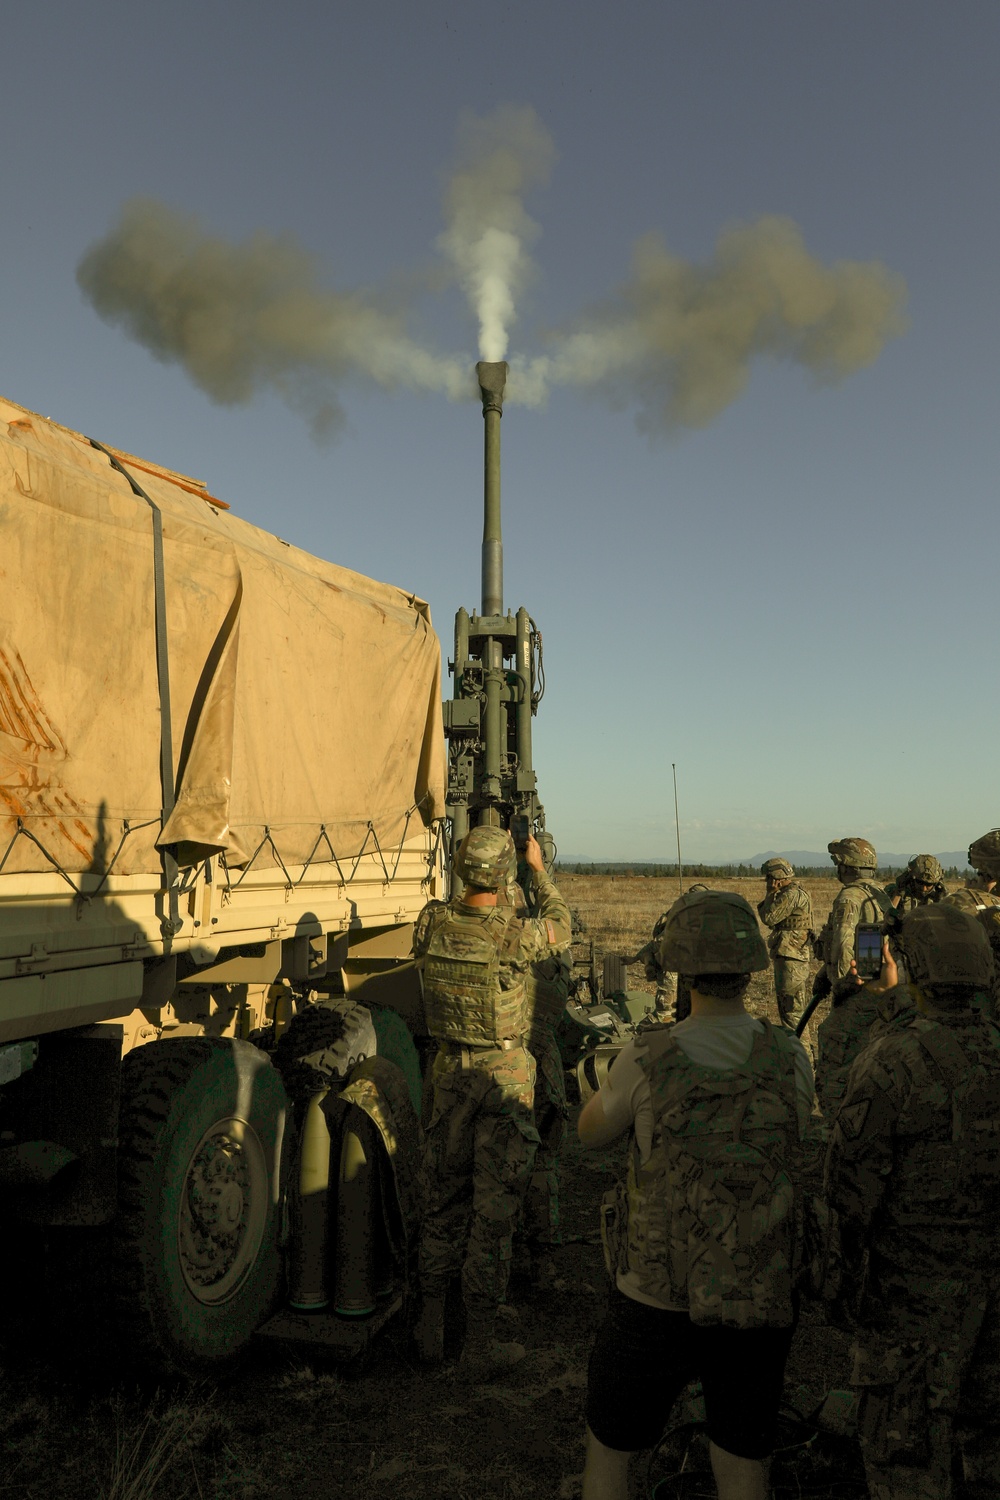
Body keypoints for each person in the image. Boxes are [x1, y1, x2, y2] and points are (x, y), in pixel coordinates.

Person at [577, 890, 814, 1500]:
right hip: (757, 1292)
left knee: (610, 1448)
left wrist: (599, 1086)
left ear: (682, 968)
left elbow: (592, 1136)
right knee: (743, 1455)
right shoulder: (789, 1054)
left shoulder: (647, 1054)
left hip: (656, 1296)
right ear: (751, 966)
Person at [824, 904, 1000, 1499]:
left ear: (914, 967)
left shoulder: (892, 1059)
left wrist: (841, 1281)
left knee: (906, 1462)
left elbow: (848, 1195)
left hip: (912, 1308)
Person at [411, 824, 571, 1377]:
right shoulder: (515, 935)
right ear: (504, 874)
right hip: (502, 1078)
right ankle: (479, 1346)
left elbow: (455, 919)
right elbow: (563, 927)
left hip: (447, 1073)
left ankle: (430, 1325)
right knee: (493, 1214)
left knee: (441, 1203)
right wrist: (538, 871)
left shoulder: (431, 922)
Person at [756, 858, 813, 1032]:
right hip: (792, 956)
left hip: (791, 958)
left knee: (791, 1014)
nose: (767, 882)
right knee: (793, 1012)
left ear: (776, 878)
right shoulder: (793, 892)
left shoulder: (790, 895)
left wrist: (769, 893)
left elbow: (769, 917)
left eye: (768, 878)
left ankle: (801, 1055)